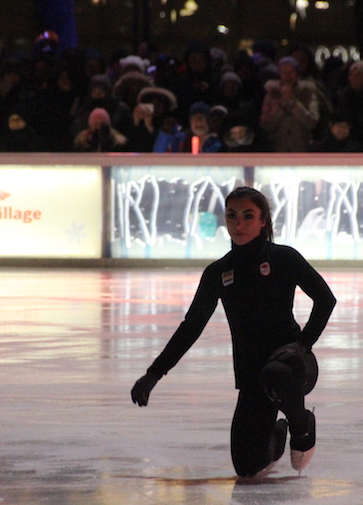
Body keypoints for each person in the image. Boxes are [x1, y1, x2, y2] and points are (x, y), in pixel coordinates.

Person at [131, 186, 336, 478]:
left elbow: (326, 300)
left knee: (276, 374)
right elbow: (192, 326)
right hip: (254, 376)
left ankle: (301, 425)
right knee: (247, 467)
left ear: (263, 220)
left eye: (248, 216)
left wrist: (302, 343)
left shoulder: (283, 258)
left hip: (293, 366)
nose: (239, 225)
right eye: (232, 216)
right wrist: (154, 373)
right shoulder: (218, 272)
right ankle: (278, 431)